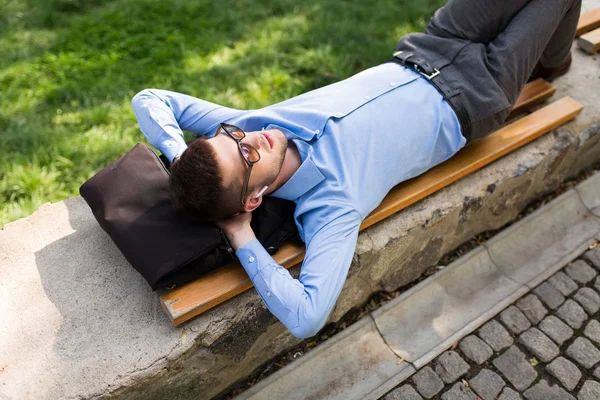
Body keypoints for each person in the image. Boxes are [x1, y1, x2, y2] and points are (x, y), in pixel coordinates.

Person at [131, 0, 580, 338]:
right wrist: (241, 235)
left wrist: (177, 156)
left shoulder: (253, 130)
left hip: (432, 44)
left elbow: (150, 98)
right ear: (252, 199)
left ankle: (554, 56)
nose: (249, 138)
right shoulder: (331, 206)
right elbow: (307, 317)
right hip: (477, 93)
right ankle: (555, 60)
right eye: (245, 155)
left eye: (229, 136)